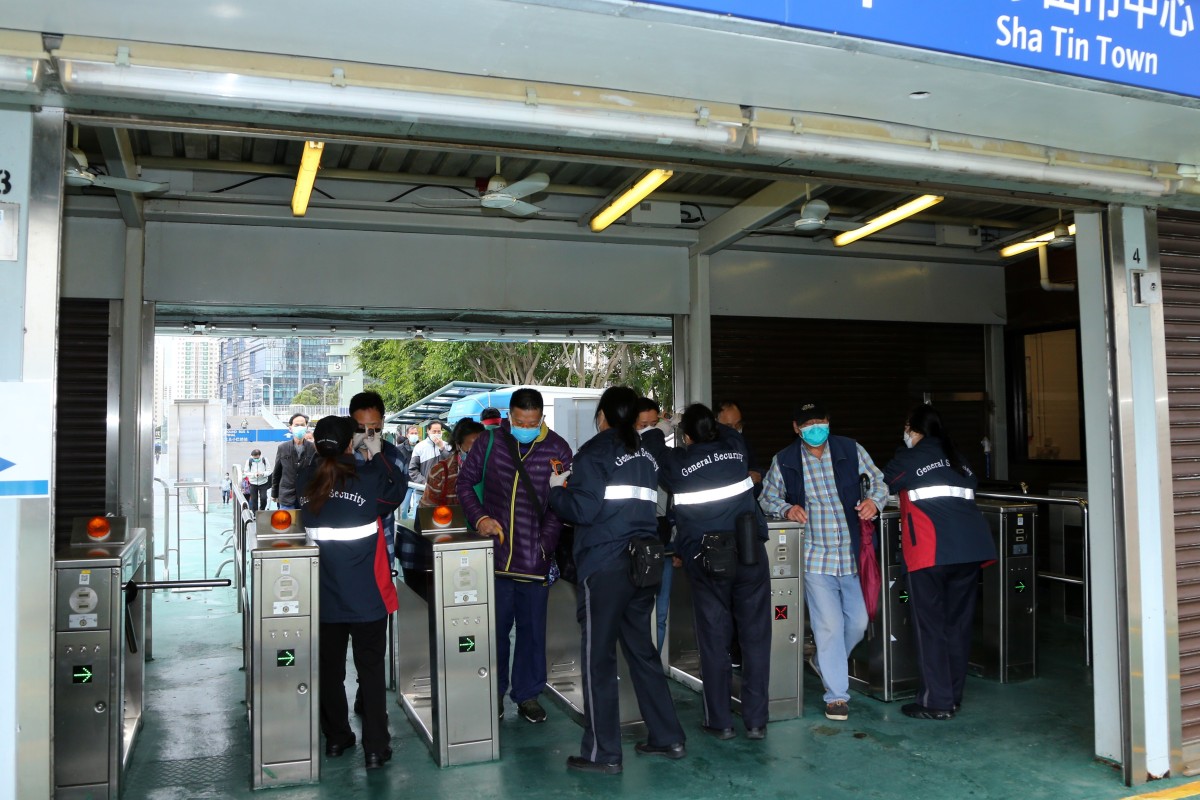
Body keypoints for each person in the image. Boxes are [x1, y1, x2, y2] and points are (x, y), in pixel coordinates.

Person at [548, 387, 686, 774]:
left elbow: (584, 510)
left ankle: (603, 754)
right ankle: (667, 736)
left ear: (603, 415)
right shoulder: (644, 454)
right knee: (642, 652)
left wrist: (556, 492)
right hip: (644, 564)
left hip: (606, 567)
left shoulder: (594, 452)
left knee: (599, 661)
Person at [642, 403, 772, 740]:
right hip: (750, 556)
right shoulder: (735, 448)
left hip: (707, 561)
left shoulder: (678, 463)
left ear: (686, 437)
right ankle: (756, 721)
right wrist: (707, 424)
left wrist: (663, 427)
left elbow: (651, 447)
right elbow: (728, 431)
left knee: (715, 642)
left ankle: (720, 722)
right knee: (755, 639)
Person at [758, 401, 888, 722]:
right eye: (808, 423)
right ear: (796, 428)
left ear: (829, 421)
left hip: (852, 554)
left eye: (819, 421)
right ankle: (836, 696)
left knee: (858, 622)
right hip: (815, 557)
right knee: (828, 626)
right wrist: (787, 509)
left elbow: (879, 481)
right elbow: (766, 497)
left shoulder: (850, 449)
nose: (815, 427)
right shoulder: (785, 461)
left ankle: (824, 662)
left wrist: (874, 500)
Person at [457, 387, 572, 725]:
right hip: (494, 557)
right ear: (509, 416)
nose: (526, 426)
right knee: (494, 630)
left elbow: (559, 503)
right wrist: (480, 518)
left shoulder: (558, 448)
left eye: (533, 422)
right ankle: (492, 692)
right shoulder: (489, 442)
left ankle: (528, 694)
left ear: (542, 418)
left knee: (533, 631)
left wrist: (545, 543)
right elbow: (465, 484)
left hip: (534, 558)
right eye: (520, 421)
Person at [297, 415, 402, 770]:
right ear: (348, 444)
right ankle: (376, 747)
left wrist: (334, 451)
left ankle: (337, 738)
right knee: (370, 671)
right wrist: (377, 454)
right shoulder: (368, 478)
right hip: (367, 599)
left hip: (324, 599)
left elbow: (317, 471)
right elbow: (397, 491)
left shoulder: (306, 480)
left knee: (329, 671)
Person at [884, 404, 997, 721]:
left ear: (914, 428)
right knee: (958, 627)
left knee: (931, 628)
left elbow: (887, 482)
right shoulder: (958, 457)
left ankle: (936, 702)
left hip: (933, 553)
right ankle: (953, 696)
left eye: (907, 426)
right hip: (970, 551)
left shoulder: (910, 456)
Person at [348, 392, 409, 568]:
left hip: (383, 543)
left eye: (373, 427)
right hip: (347, 548)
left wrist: (378, 458)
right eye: (361, 428)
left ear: (382, 422)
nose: (368, 434)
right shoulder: (340, 458)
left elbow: (394, 497)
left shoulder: (394, 457)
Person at [634, 397, 673, 653]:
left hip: (664, 541)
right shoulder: (624, 459)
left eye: (653, 424)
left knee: (661, 611)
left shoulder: (668, 457)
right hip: (635, 542)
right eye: (642, 425)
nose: (648, 430)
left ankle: (655, 664)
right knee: (637, 612)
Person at [421, 418, 485, 507]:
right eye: (471, 451)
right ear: (458, 445)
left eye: (482, 450)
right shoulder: (440, 472)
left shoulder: (493, 469)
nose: (477, 455)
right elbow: (427, 509)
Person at [272, 413, 316, 510]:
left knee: (306, 524)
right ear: (290, 428)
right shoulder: (283, 448)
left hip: (307, 497)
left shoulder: (313, 448)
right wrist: (274, 493)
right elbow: (277, 472)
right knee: (286, 524)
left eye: (302, 425)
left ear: (306, 427)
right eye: (296, 425)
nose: (299, 427)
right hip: (287, 496)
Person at [408, 420, 450, 501]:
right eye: (434, 431)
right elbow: (412, 469)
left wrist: (442, 448)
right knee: (422, 513)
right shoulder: (419, 447)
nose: (437, 433)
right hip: (423, 491)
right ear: (428, 431)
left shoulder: (447, 446)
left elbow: (452, 464)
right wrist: (424, 482)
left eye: (439, 431)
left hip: (443, 491)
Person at [396, 425, 420, 519]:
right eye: (412, 433)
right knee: (403, 508)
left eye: (416, 433)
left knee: (417, 508)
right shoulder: (399, 449)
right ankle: (404, 527)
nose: (414, 435)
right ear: (407, 435)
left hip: (419, 482)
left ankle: (414, 527)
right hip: (406, 482)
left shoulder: (422, 447)